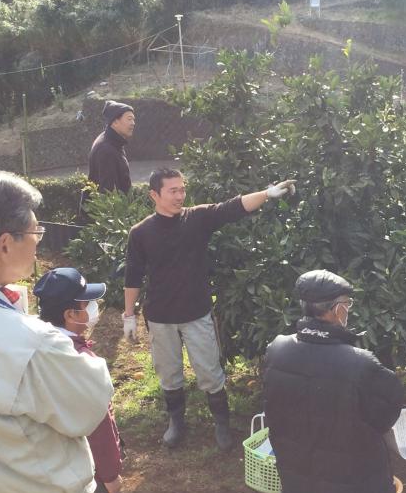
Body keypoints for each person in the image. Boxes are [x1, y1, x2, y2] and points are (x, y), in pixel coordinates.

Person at [0, 169, 114, 493]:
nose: (38, 243)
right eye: (35, 233)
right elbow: (89, 404)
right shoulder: (31, 342)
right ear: (5, 244)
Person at [123, 168, 296, 451]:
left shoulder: (197, 218)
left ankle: (221, 423)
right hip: (160, 316)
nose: (180, 195)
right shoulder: (141, 233)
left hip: (196, 312)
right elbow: (132, 275)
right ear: (154, 194)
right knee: (168, 372)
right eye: (173, 191)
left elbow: (233, 207)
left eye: (182, 189)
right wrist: (128, 315)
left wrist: (267, 194)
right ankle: (177, 422)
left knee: (209, 371)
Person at [263, 270, 404, 493]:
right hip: (349, 476)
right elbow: (386, 412)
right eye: (347, 305)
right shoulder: (360, 362)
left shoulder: (277, 349)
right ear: (336, 309)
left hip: (298, 469)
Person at [34, 267, 141, 493]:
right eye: (86, 305)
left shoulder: (39, 345)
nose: (92, 310)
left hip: (52, 465)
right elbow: (99, 424)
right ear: (71, 314)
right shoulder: (80, 361)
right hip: (88, 468)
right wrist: (111, 473)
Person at [88, 100, 135, 194]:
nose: (133, 123)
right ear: (115, 122)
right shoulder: (106, 149)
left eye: (134, 119)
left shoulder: (113, 142)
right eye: (129, 119)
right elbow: (108, 192)